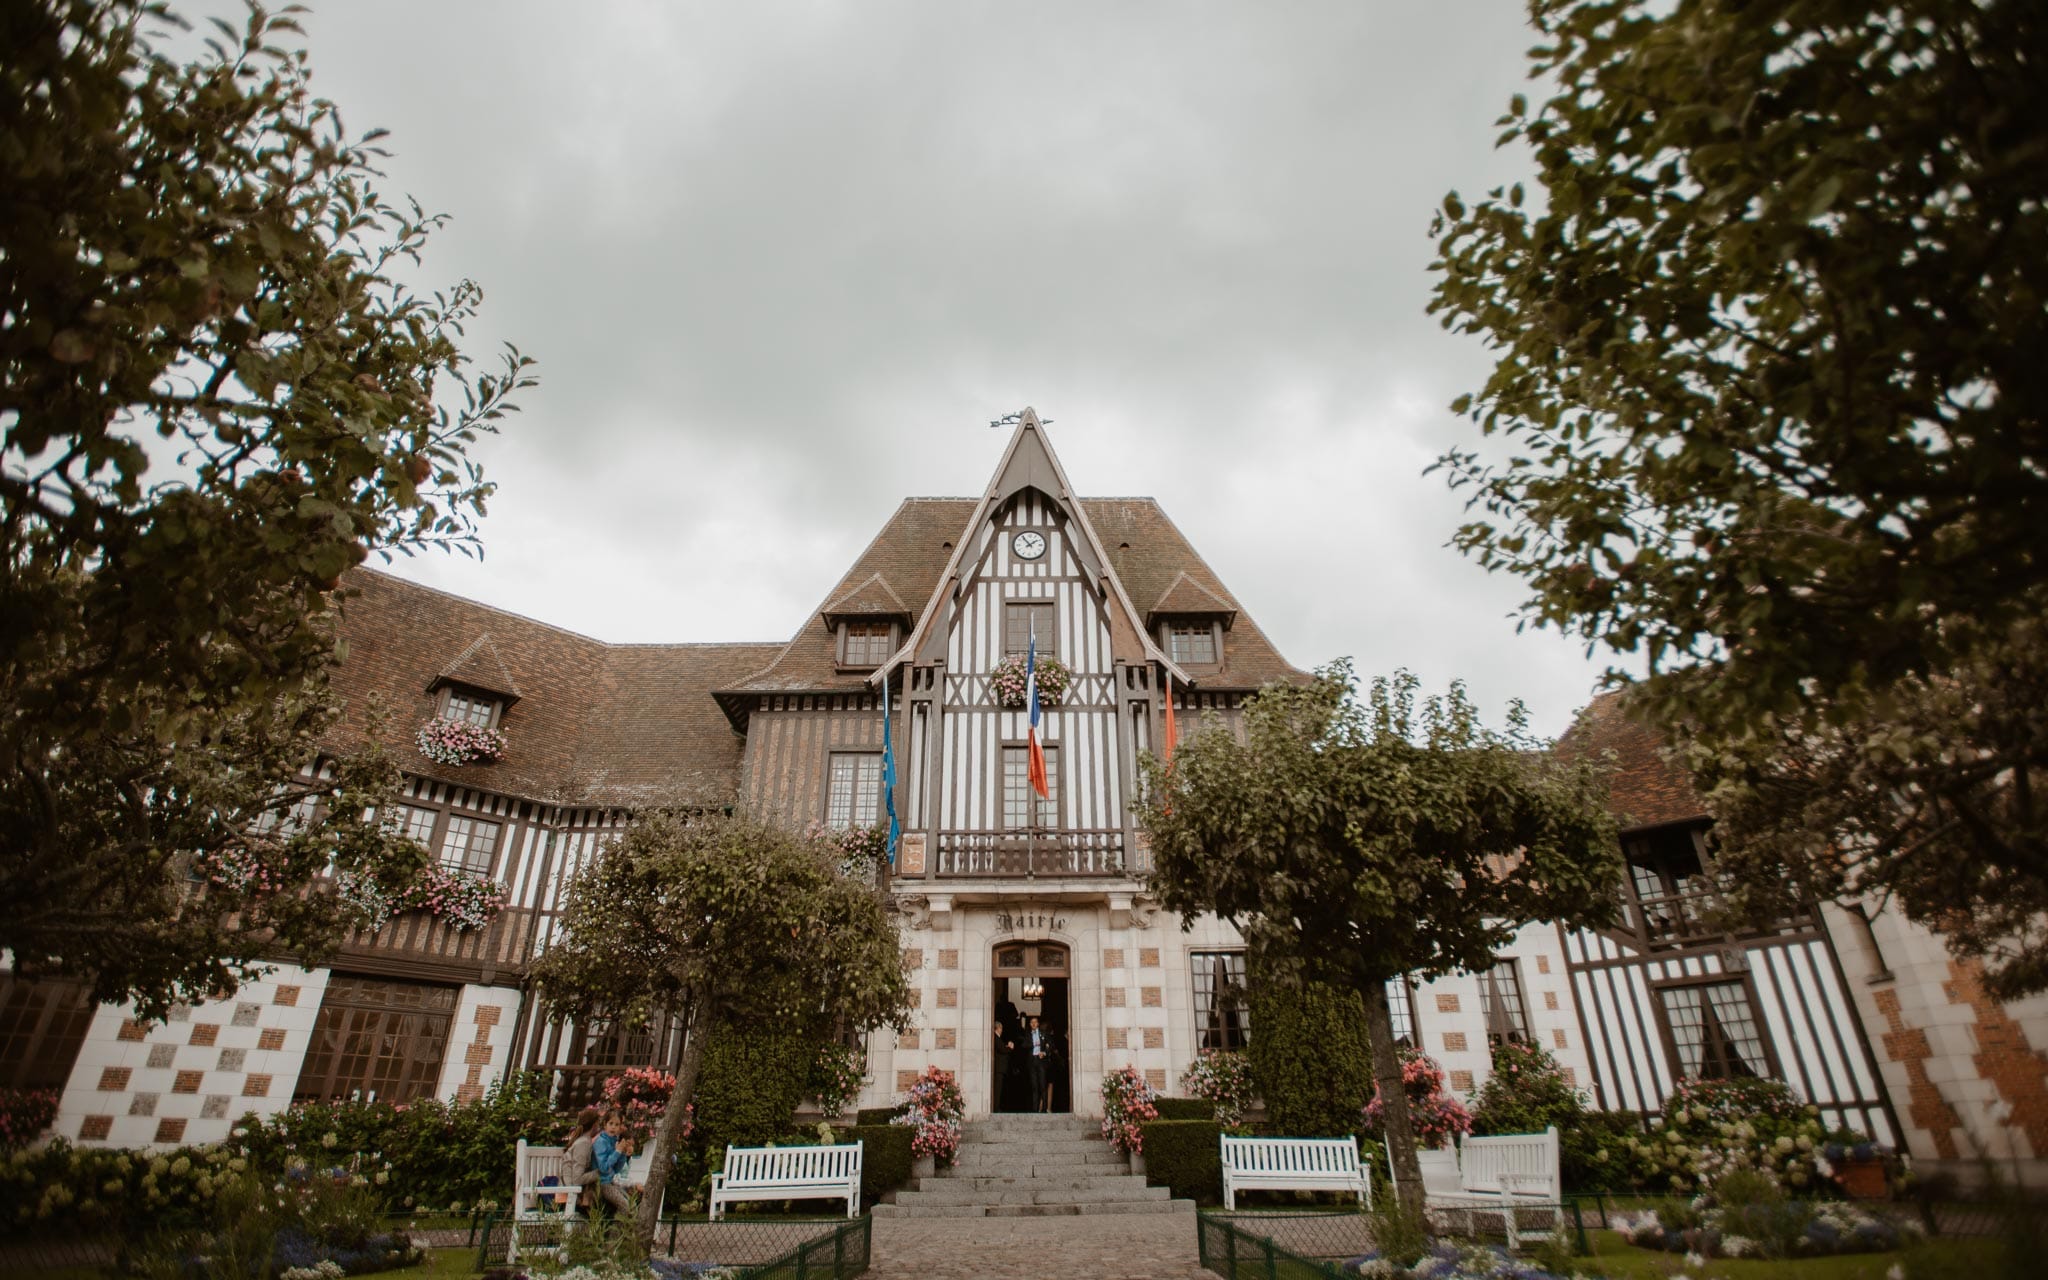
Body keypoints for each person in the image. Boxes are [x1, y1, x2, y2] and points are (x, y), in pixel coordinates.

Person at [591, 1108, 637, 1218]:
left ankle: (625, 1233)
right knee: (625, 1206)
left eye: (616, 1125)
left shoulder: (613, 1141)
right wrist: (617, 1152)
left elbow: (616, 1169)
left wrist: (622, 1154)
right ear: (605, 1124)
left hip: (610, 1181)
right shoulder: (601, 1142)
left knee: (633, 1205)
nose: (613, 1127)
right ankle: (615, 1235)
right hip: (601, 1183)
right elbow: (603, 1167)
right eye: (610, 1123)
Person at [561, 1106, 603, 1215]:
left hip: (575, 1194)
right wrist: (599, 1173)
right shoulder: (583, 1144)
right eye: (598, 1124)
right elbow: (577, 1179)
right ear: (594, 1125)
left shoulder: (584, 1141)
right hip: (570, 1197)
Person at [1025, 1015, 1049, 1112]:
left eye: (1035, 1022)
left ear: (1038, 1024)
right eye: (1032, 1022)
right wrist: (1033, 1043)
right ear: (1030, 1025)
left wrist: (1044, 1052)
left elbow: (1050, 1045)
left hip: (1041, 1061)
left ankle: (1044, 1108)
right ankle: (1034, 1110)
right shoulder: (1027, 1034)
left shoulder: (1044, 1033)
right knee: (1034, 1086)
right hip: (1032, 1061)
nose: (1034, 1024)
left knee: (1043, 1085)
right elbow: (1023, 1045)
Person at [992, 1019, 1015, 1112]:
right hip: (999, 1068)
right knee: (998, 1089)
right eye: (1001, 1028)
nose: (1002, 1030)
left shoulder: (996, 1038)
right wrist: (1010, 1047)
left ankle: (997, 1107)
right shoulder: (995, 1037)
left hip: (1000, 1068)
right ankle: (996, 1107)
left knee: (999, 1088)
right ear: (998, 1028)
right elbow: (1002, 1050)